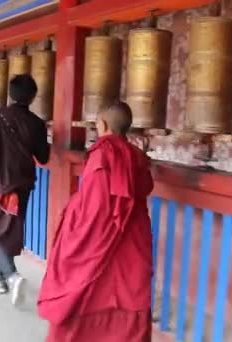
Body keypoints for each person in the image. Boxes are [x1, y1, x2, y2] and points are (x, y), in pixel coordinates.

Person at [38, 102, 154, 342]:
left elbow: (95, 210)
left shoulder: (103, 154)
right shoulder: (137, 157)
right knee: (128, 295)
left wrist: (71, 225)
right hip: (132, 238)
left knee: (86, 290)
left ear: (102, 125)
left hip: (101, 237)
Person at [0, 74, 50, 305]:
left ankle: (12, 276)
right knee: (9, 229)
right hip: (21, 185)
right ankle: (0, 276)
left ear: (10, 93)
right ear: (33, 96)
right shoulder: (37, 123)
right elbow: (43, 156)